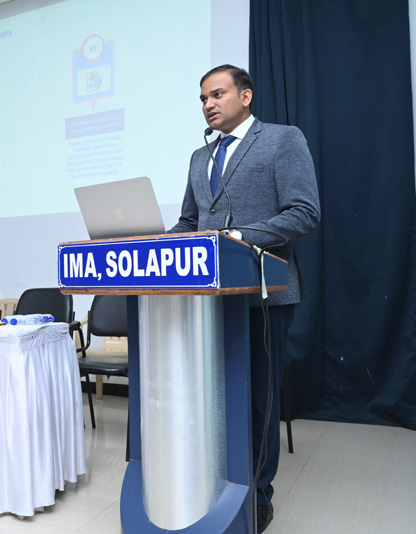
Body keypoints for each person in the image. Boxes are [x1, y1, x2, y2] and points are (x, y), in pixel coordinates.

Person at [167, 65, 320, 533]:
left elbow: (304, 211)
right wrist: (156, 244)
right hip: (206, 301)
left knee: (257, 403)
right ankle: (214, 483)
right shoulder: (200, 156)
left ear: (246, 95)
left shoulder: (282, 139)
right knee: (211, 401)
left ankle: (257, 496)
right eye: (203, 99)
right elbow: (190, 222)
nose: (208, 104)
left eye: (217, 94)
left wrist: (238, 237)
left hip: (261, 293)